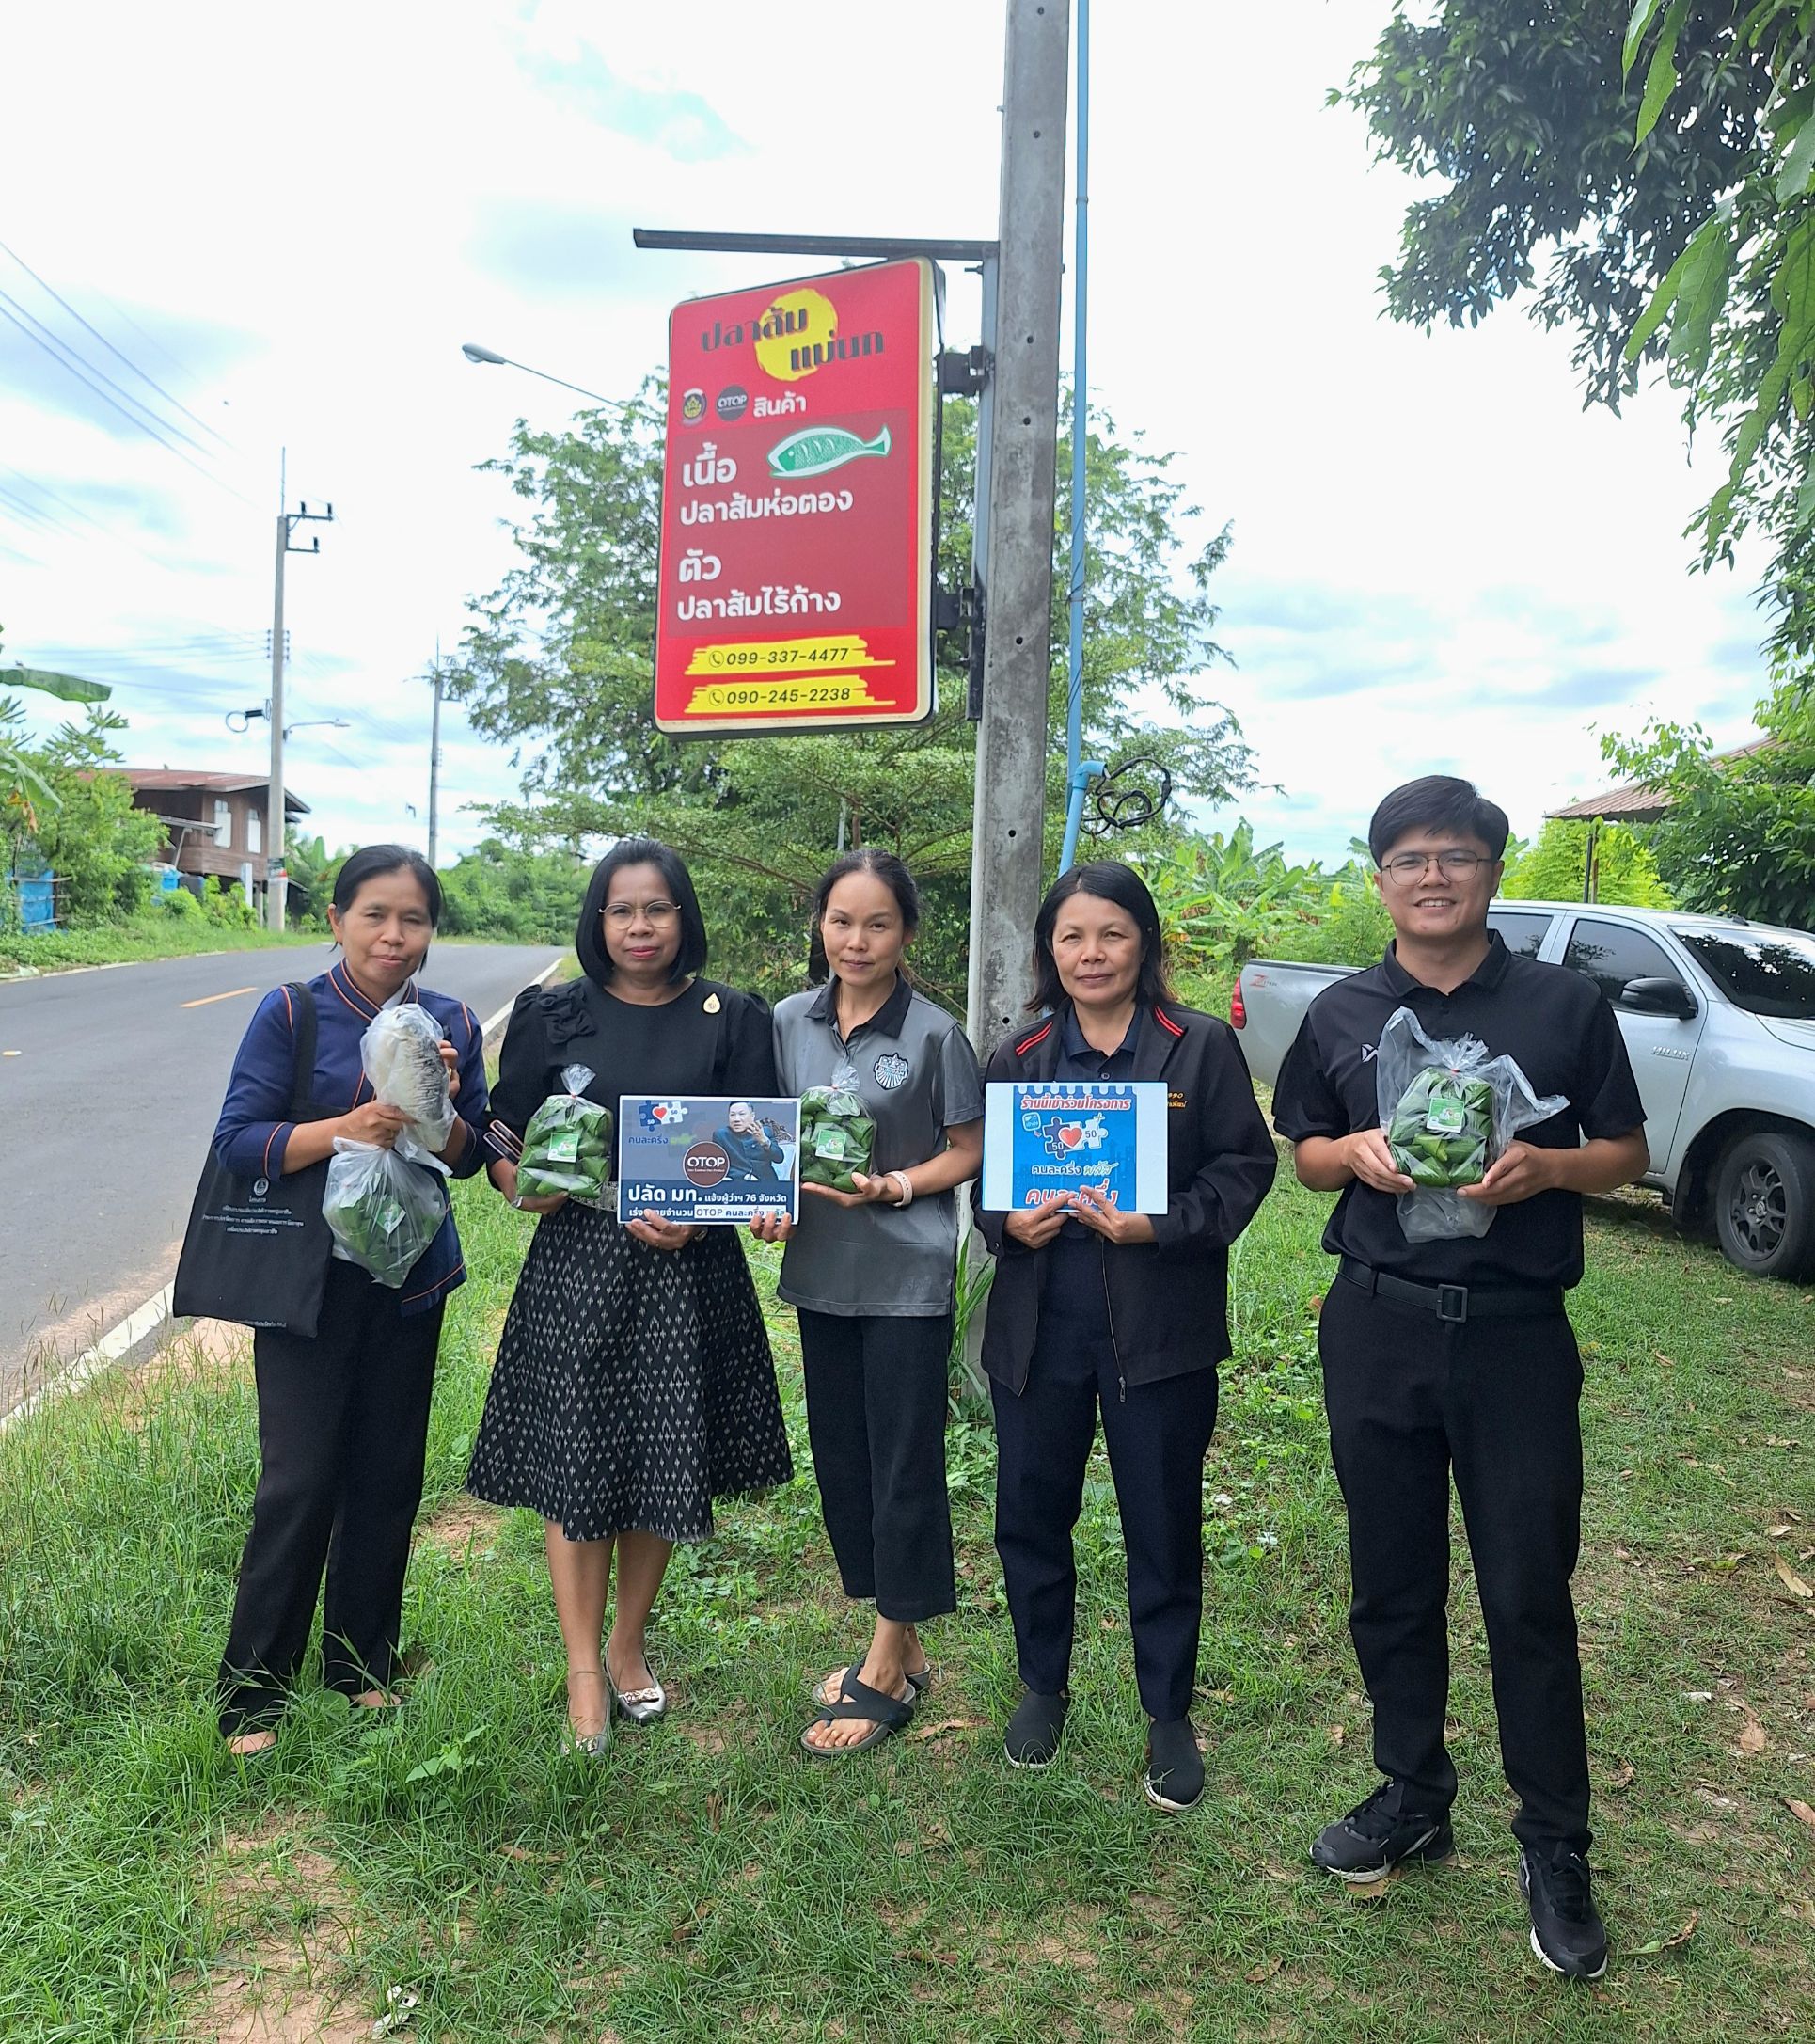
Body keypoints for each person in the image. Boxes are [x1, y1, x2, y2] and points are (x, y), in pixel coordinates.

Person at [1271, 777, 1648, 1981]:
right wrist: (1353, 1150)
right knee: (1390, 1579)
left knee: (1528, 1588)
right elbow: (1306, 1159)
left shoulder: (1561, 1003)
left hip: (1515, 1334)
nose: (1431, 876)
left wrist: (1547, 1168)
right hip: (1376, 1326)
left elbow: (1626, 1154)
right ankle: (1412, 1790)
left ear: (1491, 870)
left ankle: (1554, 1842)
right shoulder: (1341, 1010)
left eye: (1456, 856)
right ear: (1377, 877)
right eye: (1407, 858)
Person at [468, 838, 792, 1753]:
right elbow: (504, 1124)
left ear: (682, 917)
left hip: (687, 1270)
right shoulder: (552, 1011)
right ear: (598, 919)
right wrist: (514, 1182)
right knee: (578, 1463)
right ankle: (580, 1669)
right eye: (622, 909)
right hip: (578, 1260)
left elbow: (757, 1141)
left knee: (661, 1456)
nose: (640, 925)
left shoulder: (732, 1016)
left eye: (657, 908)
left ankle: (626, 1644)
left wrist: (703, 1211)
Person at [972, 860, 1276, 1812]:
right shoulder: (1020, 1056)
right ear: (1047, 950)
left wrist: (1163, 1221)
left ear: (1142, 942)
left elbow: (1244, 1167)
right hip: (1038, 1327)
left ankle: (1167, 1711)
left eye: (1110, 933)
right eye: (1071, 936)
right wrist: (1002, 1221)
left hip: (1158, 1330)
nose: (1090, 953)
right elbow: (988, 1184)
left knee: (1161, 1520)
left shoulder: (1198, 1050)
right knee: (1029, 1513)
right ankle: (1041, 1684)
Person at [212, 845, 490, 1756]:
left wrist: (436, 1100)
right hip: (306, 1280)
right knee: (299, 1478)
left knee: (386, 1475)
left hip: (407, 1279)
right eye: (374, 913)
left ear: (429, 932)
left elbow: (470, 1153)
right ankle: (253, 1694)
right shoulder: (293, 1011)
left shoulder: (447, 1020)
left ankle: (360, 1666)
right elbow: (240, 1141)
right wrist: (347, 1126)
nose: (393, 934)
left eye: (412, 918)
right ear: (336, 919)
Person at [750, 849, 984, 1755]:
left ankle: (887, 1661)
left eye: (878, 923)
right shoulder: (784, 1022)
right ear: (820, 926)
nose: (857, 940)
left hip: (907, 1275)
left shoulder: (934, 1033)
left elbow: (966, 1148)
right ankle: (902, 1631)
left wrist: (894, 1186)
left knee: (903, 1463)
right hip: (820, 1270)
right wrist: (765, 1200)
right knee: (843, 1459)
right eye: (842, 921)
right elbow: (763, 1137)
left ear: (907, 934)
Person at [714, 1100, 787, 1184]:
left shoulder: (765, 1131)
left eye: (741, 1114)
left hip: (767, 1184)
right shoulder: (721, 1135)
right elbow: (719, 1166)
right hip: (738, 1183)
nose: (736, 1119)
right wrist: (745, 1176)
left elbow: (779, 1158)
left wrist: (764, 1141)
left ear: (752, 1116)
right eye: (732, 1115)